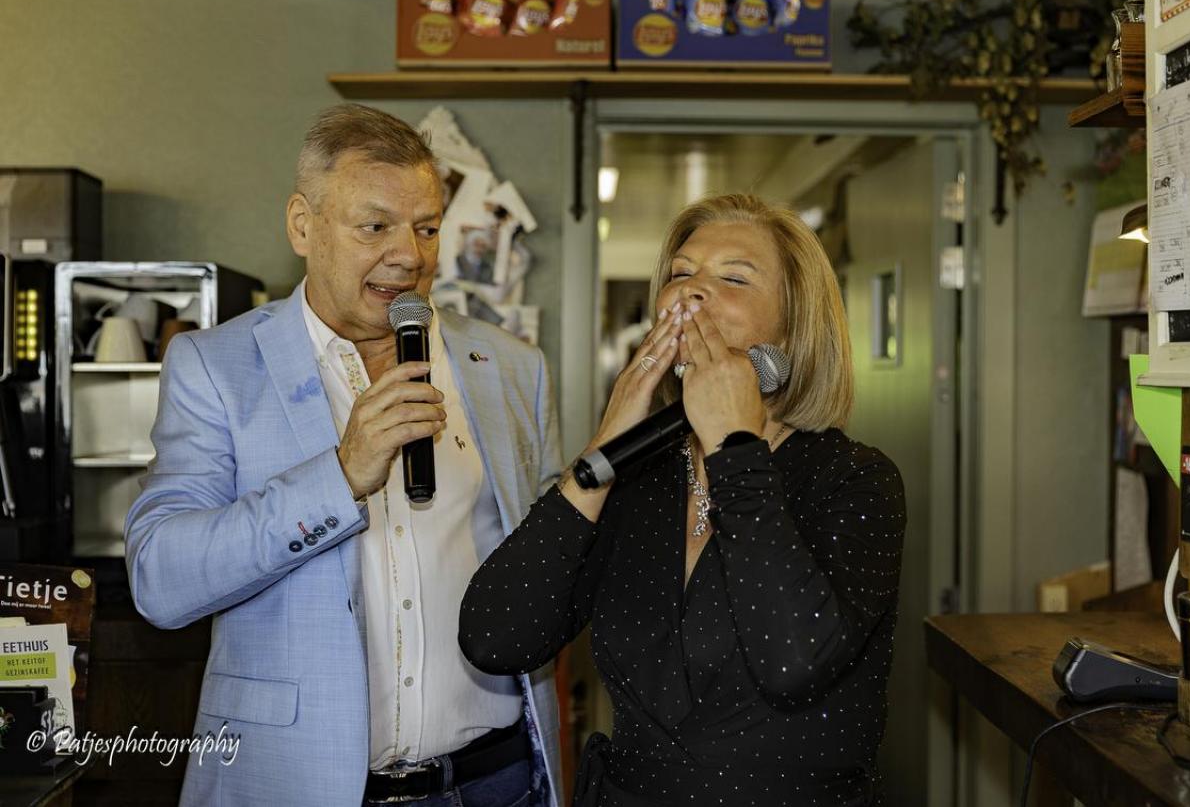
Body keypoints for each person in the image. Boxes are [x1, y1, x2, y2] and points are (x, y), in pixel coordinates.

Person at [125, 104, 565, 807]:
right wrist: (339, 475)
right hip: (297, 786)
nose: (409, 255)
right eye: (375, 226)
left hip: (492, 781)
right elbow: (161, 579)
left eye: (426, 228)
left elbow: (551, 566)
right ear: (303, 225)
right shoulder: (215, 367)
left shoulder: (512, 367)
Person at [460, 193, 906, 807]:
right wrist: (600, 456)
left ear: (795, 327)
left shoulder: (854, 480)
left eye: (734, 278)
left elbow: (793, 663)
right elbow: (496, 638)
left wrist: (732, 446)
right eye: (680, 273)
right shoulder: (636, 481)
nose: (692, 290)